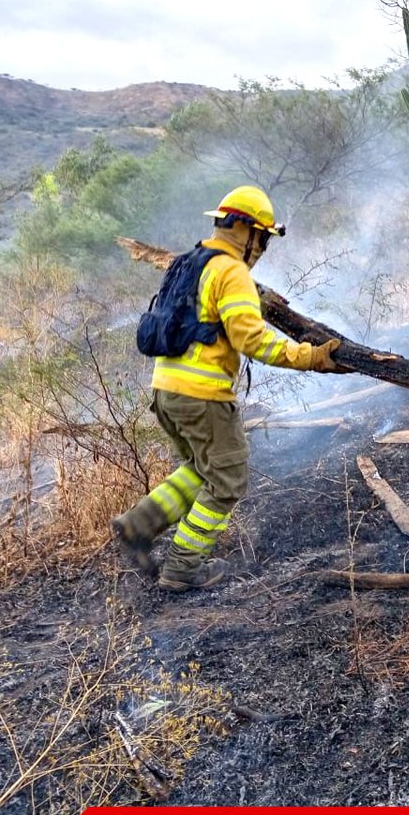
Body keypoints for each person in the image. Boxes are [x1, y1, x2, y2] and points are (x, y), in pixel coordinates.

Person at [111, 185, 349, 592]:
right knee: (228, 479)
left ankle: (137, 526)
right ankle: (182, 570)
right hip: (201, 395)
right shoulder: (231, 270)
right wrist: (310, 357)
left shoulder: (189, 262)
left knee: (200, 470)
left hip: (166, 391)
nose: (262, 249)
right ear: (248, 231)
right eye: (263, 239)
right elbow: (251, 339)